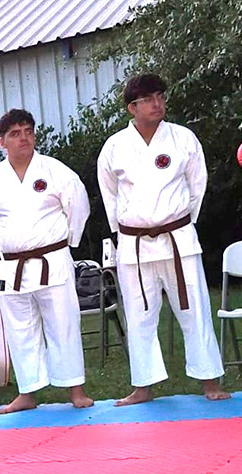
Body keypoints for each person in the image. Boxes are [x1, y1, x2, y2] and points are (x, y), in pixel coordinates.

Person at [97, 74, 229, 405]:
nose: (157, 103)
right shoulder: (114, 147)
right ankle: (143, 386)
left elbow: (197, 185)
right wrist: (124, 230)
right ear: (132, 108)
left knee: (194, 309)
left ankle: (209, 381)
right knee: (139, 314)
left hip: (177, 238)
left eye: (160, 96)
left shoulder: (183, 139)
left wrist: (180, 222)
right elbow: (109, 195)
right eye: (148, 99)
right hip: (135, 244)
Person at [0, 108, 94, 414]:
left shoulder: (56, 171)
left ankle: (75, 389)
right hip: (11, 267)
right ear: (2, 141)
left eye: (28, 131)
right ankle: (28, 392)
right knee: (20, 331)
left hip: (51, 259)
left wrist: (67, 243)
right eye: (15, 134)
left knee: (64, 325)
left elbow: (78, 207)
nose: (24, 138)